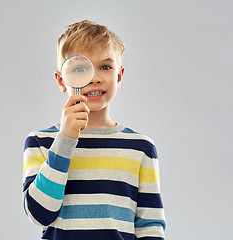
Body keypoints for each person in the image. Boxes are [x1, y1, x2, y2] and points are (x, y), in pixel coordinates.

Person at [22, 20, 166, 240]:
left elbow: (150, 227)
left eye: (106, 67)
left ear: (119, 76)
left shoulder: (141, 148)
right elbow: (40, 214)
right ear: (62, 80)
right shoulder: (40, 142)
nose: (95, 77)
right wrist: (65, 140)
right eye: (80, 68)